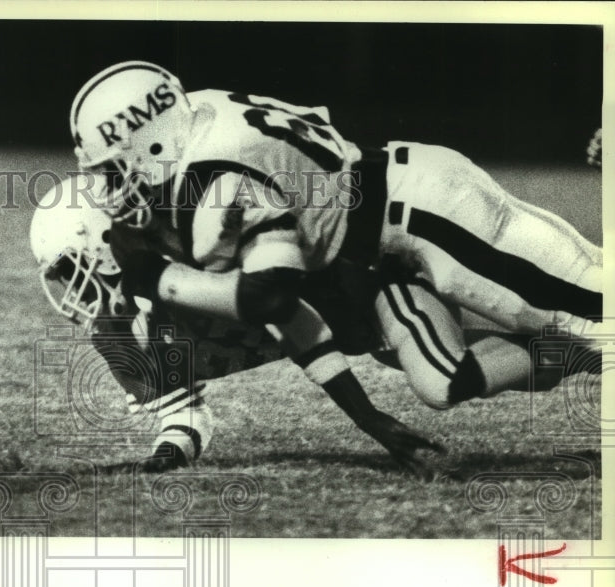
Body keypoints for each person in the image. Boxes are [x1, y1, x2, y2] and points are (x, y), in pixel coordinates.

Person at [67, 61, 602, 423]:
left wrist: (158, 278)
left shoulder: (215, 178)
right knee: (451, 372)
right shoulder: (195, 116)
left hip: (424, 208)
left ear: (154, 139)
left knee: (594, 310)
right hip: (384, 234)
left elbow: (271, 295)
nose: (111, 185)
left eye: (115, 169)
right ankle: (577, 355)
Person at [30, 175, 586, 474]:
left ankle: (590, 347)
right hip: (363, 331)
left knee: (445, 379)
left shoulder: (189, 268)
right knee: (515, 361)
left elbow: (293, 319)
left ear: (104, 247)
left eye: (66, 267)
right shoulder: (116, 336)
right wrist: (167, 452)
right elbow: (184, 416)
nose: (66, 286)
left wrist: (366, 417)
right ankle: (578, 352)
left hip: (373, 284)